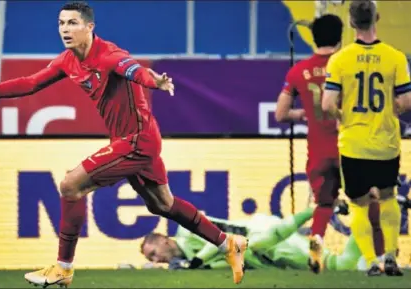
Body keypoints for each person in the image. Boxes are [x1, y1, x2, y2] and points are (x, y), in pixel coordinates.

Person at [0, 1, 247, 287]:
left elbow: (134, 70)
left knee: (70, 185)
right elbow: (31, 83)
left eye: (73, 23)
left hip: (136, 141)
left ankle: (63, 268)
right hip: (132, 139)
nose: (65, 29)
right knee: (162, 204)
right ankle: (227, 242)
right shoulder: (68, 60)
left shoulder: (109, 55)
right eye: (61, 23)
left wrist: (155, 82)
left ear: (89, 26)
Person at [321, 0, 411, 276]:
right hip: (386, 143)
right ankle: (391, 255)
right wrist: (389, 112)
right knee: (387, 197)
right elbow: (406, 101)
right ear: (377, 18)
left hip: (353, 143)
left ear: (350, 22)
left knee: (359, 202)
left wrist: (343, 116)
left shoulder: (340, 59)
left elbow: (326, 105)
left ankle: (372, 261)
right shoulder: (395, 56)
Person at [140, 197, 411, 272]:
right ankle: (374, 214)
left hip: (264, 238)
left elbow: (224, 243)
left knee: (337, 266)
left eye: (154, 253)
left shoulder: (186, 230)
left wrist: (194, 263)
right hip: (264, 256)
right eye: (152, 259)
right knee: (339, 266)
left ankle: (368, 209)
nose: (156, 259)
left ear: (164, 240)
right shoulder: (186, 262)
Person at [275, 14, 344, 273]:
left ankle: (316, 242)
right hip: (351, 145)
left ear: (313, 38)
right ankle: (378, 257)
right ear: (340, 37)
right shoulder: (347, 64)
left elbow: (280, 115)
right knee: (368, 199)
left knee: (324, 204)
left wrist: (301, 114)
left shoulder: (297, 71)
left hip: (318, 149)